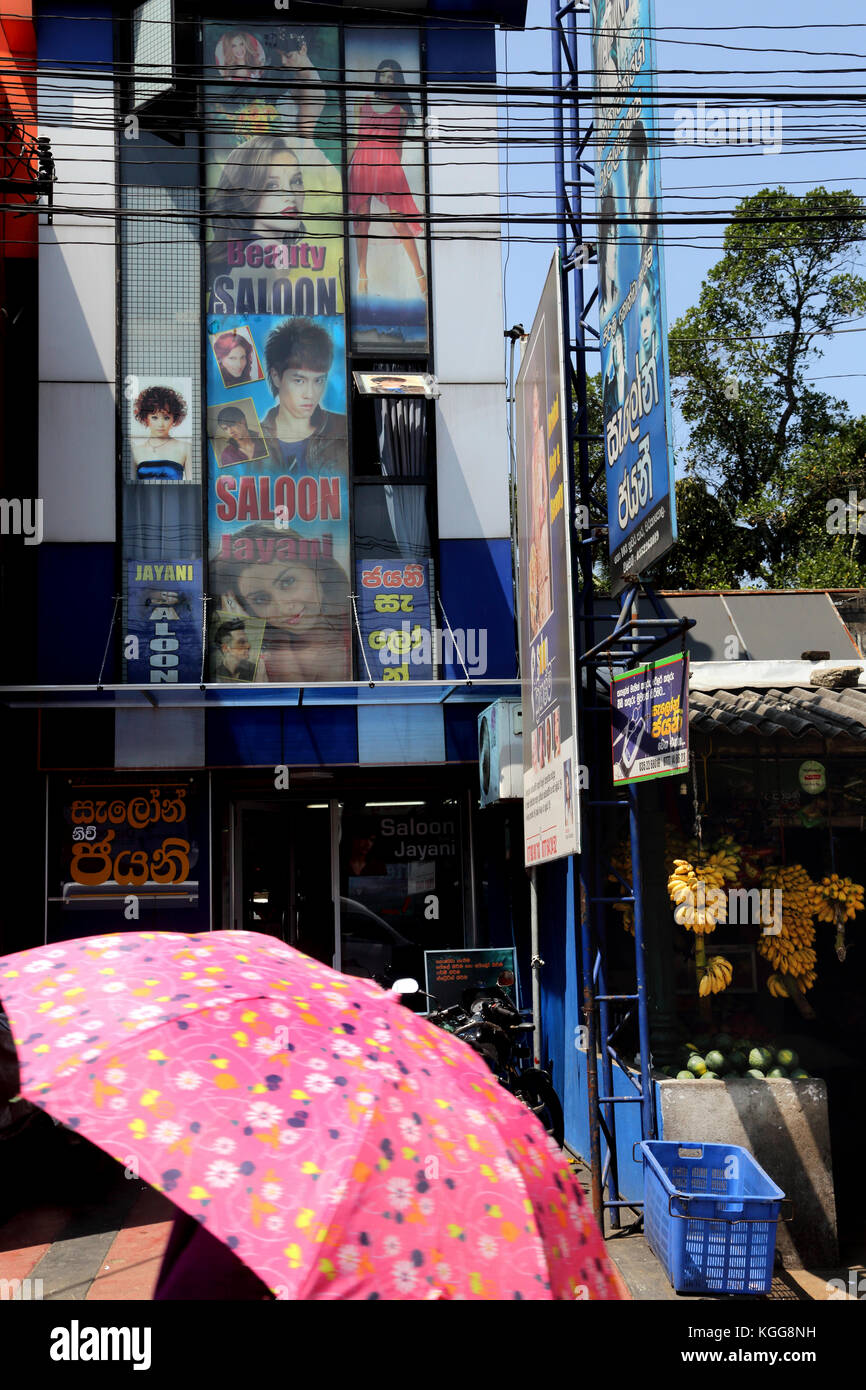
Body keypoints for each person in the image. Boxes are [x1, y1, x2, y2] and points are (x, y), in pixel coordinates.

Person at [210, 522, 351, 682]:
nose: (283, 607)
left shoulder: (362, 632)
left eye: (288, 582)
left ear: (318, 571)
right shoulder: (253, 658)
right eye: (260, 599)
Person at [348, 59, 426, 297]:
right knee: (362, 221)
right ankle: (362, 274)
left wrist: (394, 170)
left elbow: (399, 147)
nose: (386, 80)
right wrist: (347, 166)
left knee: (399, 221)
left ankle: (419, 273)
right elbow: (353, 138)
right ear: (377, 77)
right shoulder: (362, 103)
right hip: (362, 162)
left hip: (388, 164)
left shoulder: (400, 111)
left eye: (391, 77)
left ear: (396, 82)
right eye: (383, 75)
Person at [260, 317, 347, 475]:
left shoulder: (343, 429)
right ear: (276, 376)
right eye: (299, 381)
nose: (310, 394)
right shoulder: (253, 439)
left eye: (318, 380)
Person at [131, 385, 189, 482]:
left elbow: (192, 489)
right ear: (145, 418)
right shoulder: (135, 452)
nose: (161, 424)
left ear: (174, 419)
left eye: (166, 418)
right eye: (154, 417)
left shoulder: (186, 448)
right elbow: (131, 490)